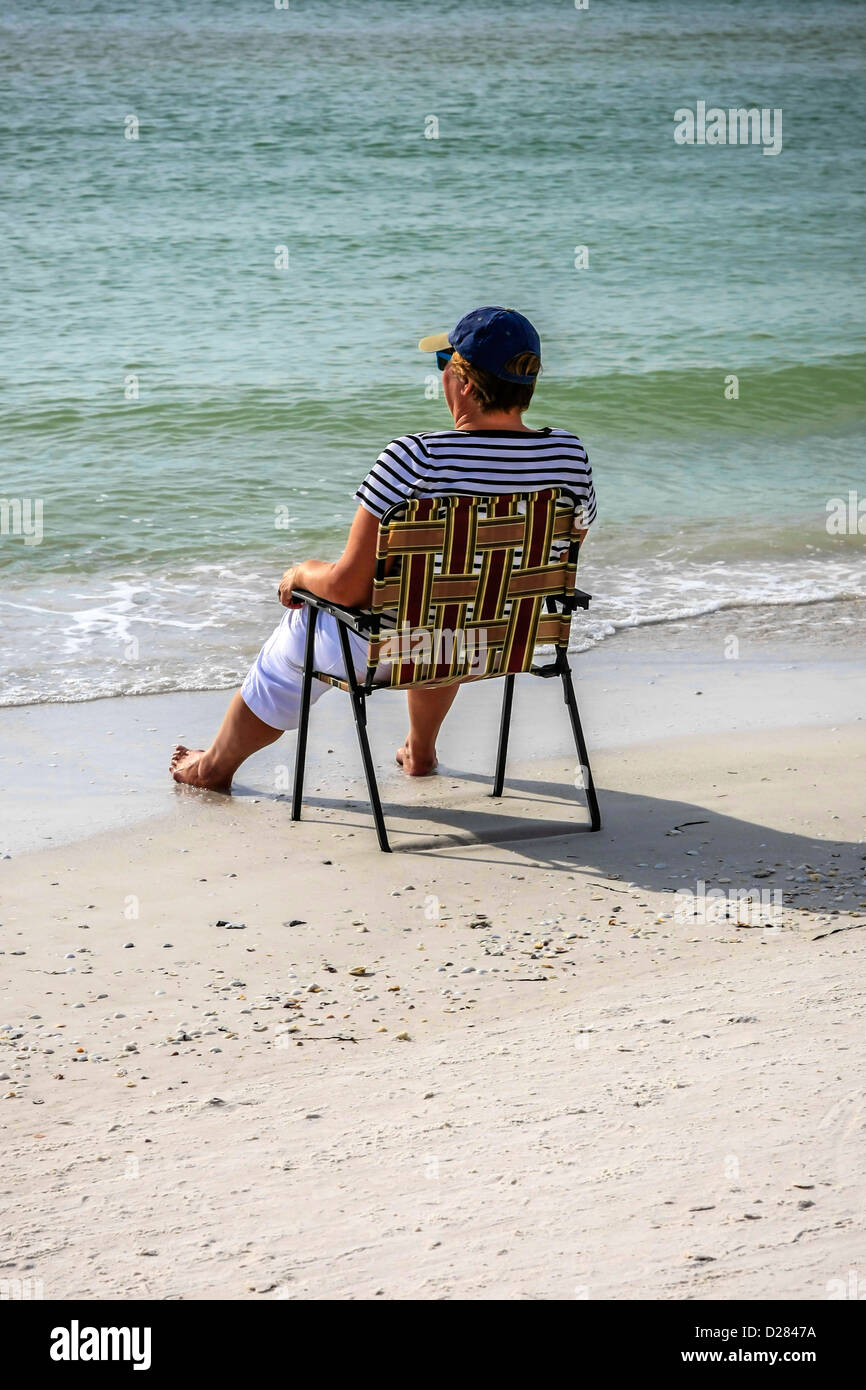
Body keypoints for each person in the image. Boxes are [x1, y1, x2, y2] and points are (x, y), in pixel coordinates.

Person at [170, 306, 596, 790]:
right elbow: (561, 561)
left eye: (444, 364)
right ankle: (420, 750)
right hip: (498, 643)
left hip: (396, 648)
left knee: (303, 626)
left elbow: (348, 589)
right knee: (451, 607)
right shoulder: (568, 455)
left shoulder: (415, 457)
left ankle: (212, 769)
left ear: (464, 383)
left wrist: (302, 574)